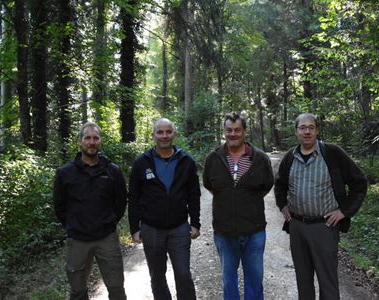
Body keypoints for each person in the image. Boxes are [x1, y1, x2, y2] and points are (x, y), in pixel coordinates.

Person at [274, 113, 368, 300]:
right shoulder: (290, 157)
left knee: (328, 282)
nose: (307, 131)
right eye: (302, 127)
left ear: (317, 130)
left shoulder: (332, 153)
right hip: (297, 227)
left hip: (324, 226)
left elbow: (359, 182)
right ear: (296, 131)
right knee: (303, 280)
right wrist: (283, 206)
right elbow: (280, 184)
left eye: (311, 127)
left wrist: (344, 211)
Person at [203, 112, 274, 300]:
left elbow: (267, 184)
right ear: (224, 131)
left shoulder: (259, 158)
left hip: (254, 231)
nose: (232, 134)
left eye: (237, 130)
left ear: (245, 131)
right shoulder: (213, 158)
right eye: (229, 130)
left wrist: (246, 200)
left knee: (255, 279)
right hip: (224, 232)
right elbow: (209, 184)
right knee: (228, 279)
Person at [53, 121, 127, 300]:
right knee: (77, 290)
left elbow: (121, 202)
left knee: (116, 287)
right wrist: (74, 225)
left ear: (100, 141)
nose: (92, 142)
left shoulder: (113, 171)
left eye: (95, 138)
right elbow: (59, 206)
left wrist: (108, 222)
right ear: (80, 141)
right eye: (87, 138)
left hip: (106, 238)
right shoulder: (65, 173)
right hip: (78, 240)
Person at [128, 118, 200, 300]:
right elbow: (133, 198)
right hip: (151, 229)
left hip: (179, 228)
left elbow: (194, 195)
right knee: (157, 277)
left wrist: (195, 223)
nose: (164, 136)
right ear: (153, 135)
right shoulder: (141, 162)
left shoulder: (186, 161)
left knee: (183, 274)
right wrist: (134, 228)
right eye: (160, 132)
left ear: (174, 134)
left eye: (168, 131)